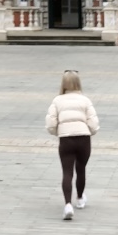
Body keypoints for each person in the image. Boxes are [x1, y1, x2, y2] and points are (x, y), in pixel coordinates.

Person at [45, 70, 99, 220]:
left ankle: (68, 204)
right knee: (81, 169)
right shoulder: (85, 100)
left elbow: (50, 123)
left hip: (66, 139)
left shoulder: (57, 101)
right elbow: (93, 122)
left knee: (67, 172)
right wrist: (91, 131)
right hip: (83, 138)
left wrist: (57, 132)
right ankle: (80, 198)